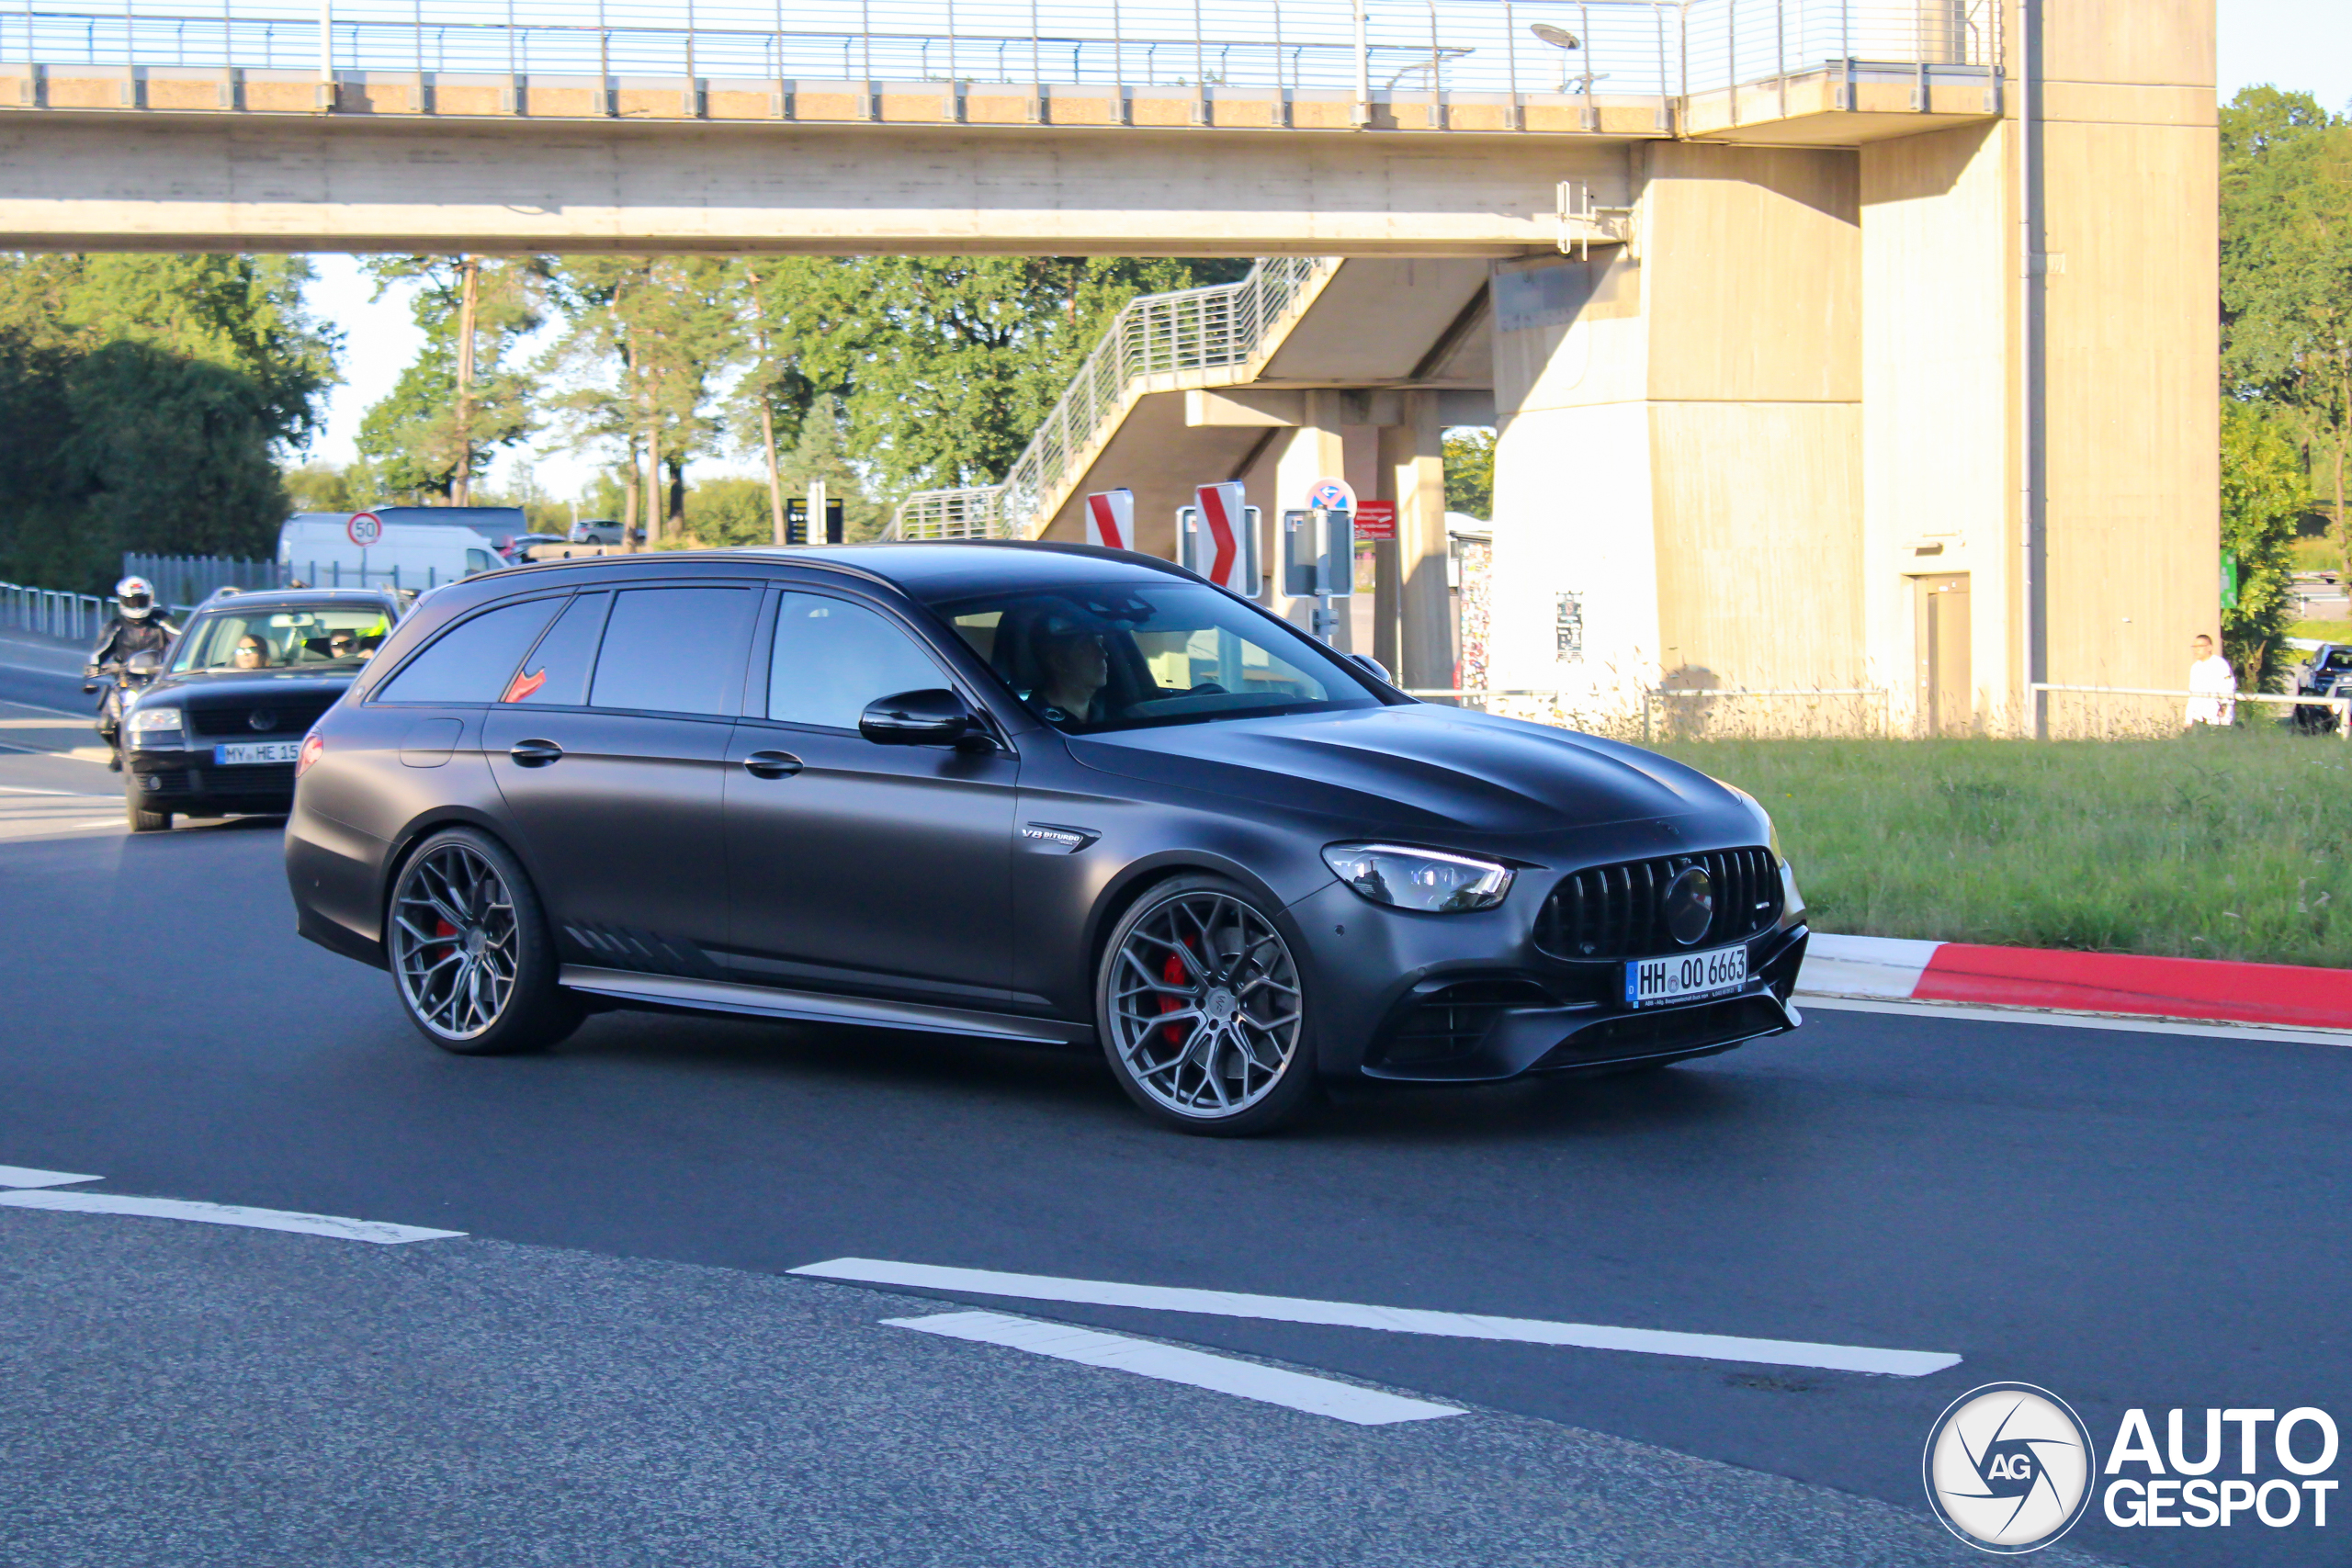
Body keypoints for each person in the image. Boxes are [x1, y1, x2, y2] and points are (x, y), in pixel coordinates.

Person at [85, 576, 178, 770]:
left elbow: (182, 640)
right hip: (125, 680)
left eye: (140, 601)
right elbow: (98, 652)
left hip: (158, 678)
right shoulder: (115, 626)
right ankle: (118, 751)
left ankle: (172, 750)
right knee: (104, 724)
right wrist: (92, 673)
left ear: (150, 599)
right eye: (131, 601)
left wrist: (181, 662)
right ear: (122, 601)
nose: (136, 606)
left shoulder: (163, 621)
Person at [1028, 615, 1112, 725]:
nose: (1103, 654)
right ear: (1059, 662)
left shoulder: (1112, 716)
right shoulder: (1031, 721)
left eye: (1100, 642)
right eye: (1086, 647)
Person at [2186, 633, 2235, 728]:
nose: (2196, 650)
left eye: (2200, 646)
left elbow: (2228, 687)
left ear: (2210, 648)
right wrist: (2188, 719)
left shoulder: (2220, 664)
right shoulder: (2195, 667)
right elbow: (2193, 695)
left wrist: (2223, 707)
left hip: (2218, 718)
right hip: (2199, 718)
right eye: (2194, 647)